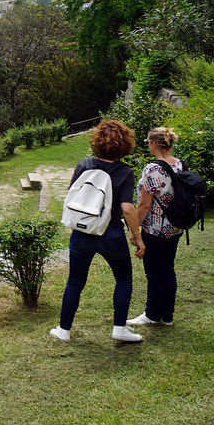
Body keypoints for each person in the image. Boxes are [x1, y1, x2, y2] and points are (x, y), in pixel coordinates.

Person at [51, 120, 146, 343]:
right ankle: (119, 328)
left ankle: (64, 330)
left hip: (82, 233)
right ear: (125, 143)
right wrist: (138, 236)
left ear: (96, 141)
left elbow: (74, 195)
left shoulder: (84, 165)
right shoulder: (124, 171)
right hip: (110, 234)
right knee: (123, 278)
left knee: (75, 281)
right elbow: (127, 208)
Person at [128, 127, 183, 327]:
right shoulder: (179, 164)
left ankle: (151, 314)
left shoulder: (153, 169)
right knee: (168, 269)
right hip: (174, 227)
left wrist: (136, 229)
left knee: (153, 272)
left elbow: (144, 205)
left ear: (153, 144)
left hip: (154, 229)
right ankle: (167, 315)